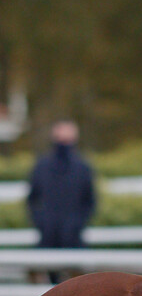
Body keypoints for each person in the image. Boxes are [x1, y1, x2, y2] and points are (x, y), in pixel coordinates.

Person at [27, 120, 96, 284]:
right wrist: (42, 222)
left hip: (73, 236)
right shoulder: (42, 166)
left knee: (76, 284)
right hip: (48, 235)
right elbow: (32, 199)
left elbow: (90, 201)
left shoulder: (82, 168)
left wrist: (77, 223)